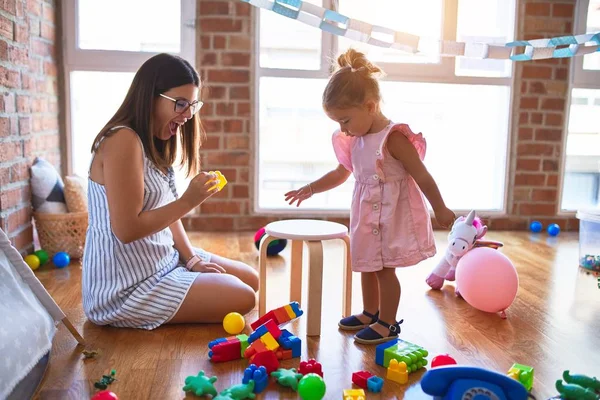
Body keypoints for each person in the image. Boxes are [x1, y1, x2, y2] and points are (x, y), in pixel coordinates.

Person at [284, 49, 455, 344]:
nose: (343, 129)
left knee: (385, 270)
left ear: (370, 106)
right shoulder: (356, 140)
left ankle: (387, 323)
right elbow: (341, 173)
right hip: (366, 213)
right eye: (338, 122)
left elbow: (421, 174)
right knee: (365, 263)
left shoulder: (394, 138)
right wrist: (310, 188)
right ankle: (369, 312)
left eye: (346, 120)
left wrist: (439, 207)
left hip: (392, 213)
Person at [82, 53, 258, 330]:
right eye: (180, 104)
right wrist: (189, 200)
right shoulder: (122, 141)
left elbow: (167, 212)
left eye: (192, 105)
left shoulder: (153, 141)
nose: (188, 114)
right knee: (244, 296)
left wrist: (192, 259)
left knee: (251, 279)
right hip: (125, 287)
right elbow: (127, 230)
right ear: (150, 97)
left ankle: (184, 267)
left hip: (163, 260)